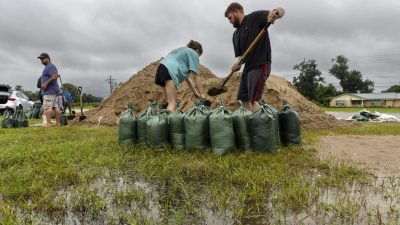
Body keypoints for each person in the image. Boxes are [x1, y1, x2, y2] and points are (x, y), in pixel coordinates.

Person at [225, 2, 281, 112]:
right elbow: (241, 57)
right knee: (243, 99)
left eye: (230, 17)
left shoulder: (254, 18)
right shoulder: (235, 35)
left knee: (253, 100)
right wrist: (237, 64)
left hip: (260, 64)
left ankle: (260, 127)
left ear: (236, 12)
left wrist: (275, 13)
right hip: (248, 68)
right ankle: (249, 123)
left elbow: (278, 11)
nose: (230, 21)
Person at [155, 40, 204, 112]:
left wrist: (195, 93)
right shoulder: (193, 53)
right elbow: (196, 76)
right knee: (173, 104)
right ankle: (169, 123)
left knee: (167, 102)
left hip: (161, 68)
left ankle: (160, 121)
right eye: (198, 55)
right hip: (170, 70)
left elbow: (188, 79)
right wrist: (202, 94)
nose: (197, 58)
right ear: (197, 50)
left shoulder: (182, 52)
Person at [38, 53, 61, 126]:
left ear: (48, 58)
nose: (41, 60)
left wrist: (45, 84)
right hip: (53, 91)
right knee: (55, 107)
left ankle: (48, 123)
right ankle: (58, 123)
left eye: (43, 58)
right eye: (40, 59)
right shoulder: (49, 67)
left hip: (49, 91)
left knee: (48, 107)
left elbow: (54, 76)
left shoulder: (50, 66)